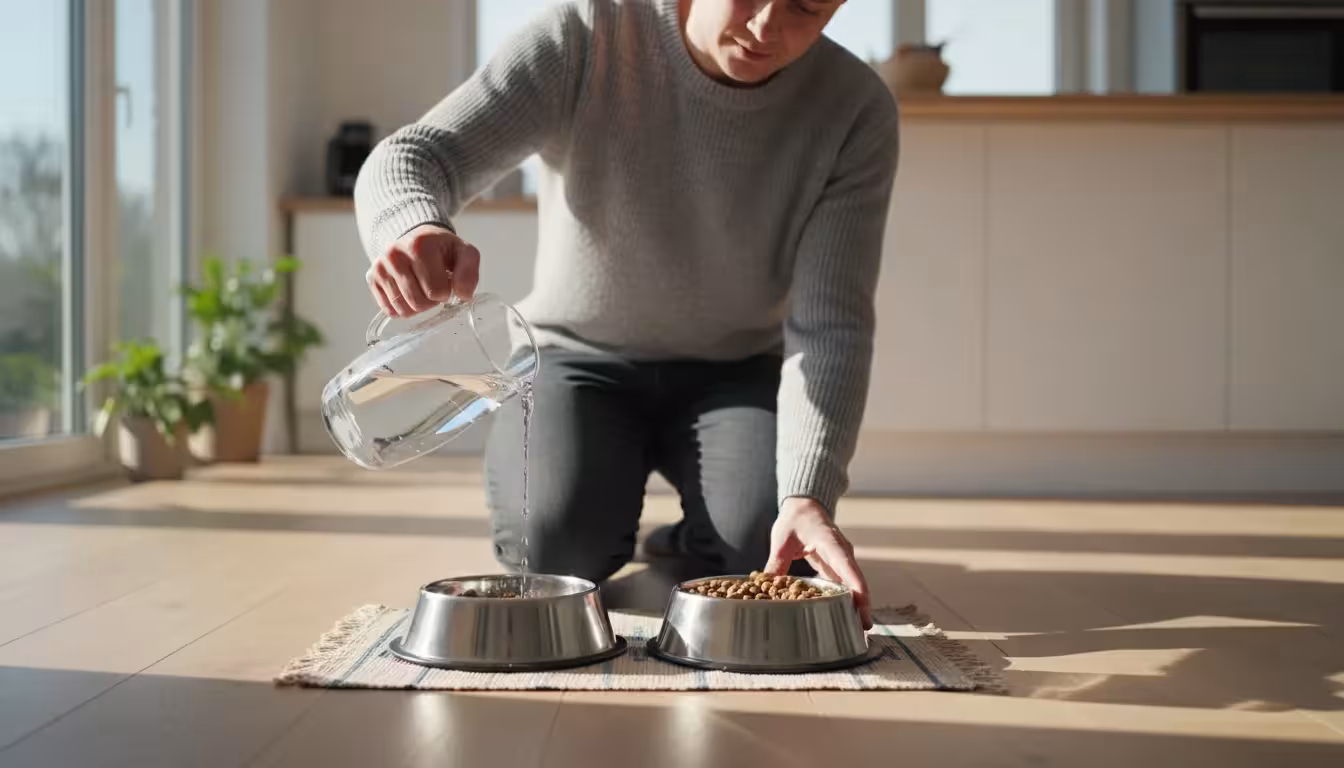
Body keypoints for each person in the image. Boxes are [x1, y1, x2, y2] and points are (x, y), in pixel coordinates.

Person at [354, 0, 899, 628]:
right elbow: (414, 155)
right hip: (573, 359)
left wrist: (809, 494)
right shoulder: (586, 36)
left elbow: (831, 323)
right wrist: (414, 225)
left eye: (807, 7)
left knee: (766, 547)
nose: (766, 28)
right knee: (556, 547)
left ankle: (693, 534)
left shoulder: (855, 108)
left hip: (736, 373)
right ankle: (632, 514)